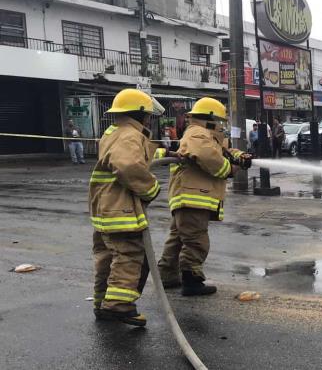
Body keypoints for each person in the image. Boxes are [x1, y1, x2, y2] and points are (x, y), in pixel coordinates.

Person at [158, 97, 251, 296]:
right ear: (210, 118)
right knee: (196, 240)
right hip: (193, 198)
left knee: (178, 238)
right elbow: (209, 157)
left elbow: (222, 150)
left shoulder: (206, 135)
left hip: (188, 198)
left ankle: (167, 276)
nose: (221, 124)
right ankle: (192, 281)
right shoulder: (197, 134)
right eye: (219, 120)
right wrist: (229, 169)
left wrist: (240, 156)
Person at [90, 88, 164, 327]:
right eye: (149, 115)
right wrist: (151, 188)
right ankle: (119, 306)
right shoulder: (130, 135)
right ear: (141, 115)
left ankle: (102, 304)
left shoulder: (114, 132)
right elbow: (128, 164)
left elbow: (134, 155)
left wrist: (167, 152)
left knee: (107, 257)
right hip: (120, 208)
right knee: (130, 255)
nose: (150, 119)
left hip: (105, 209)